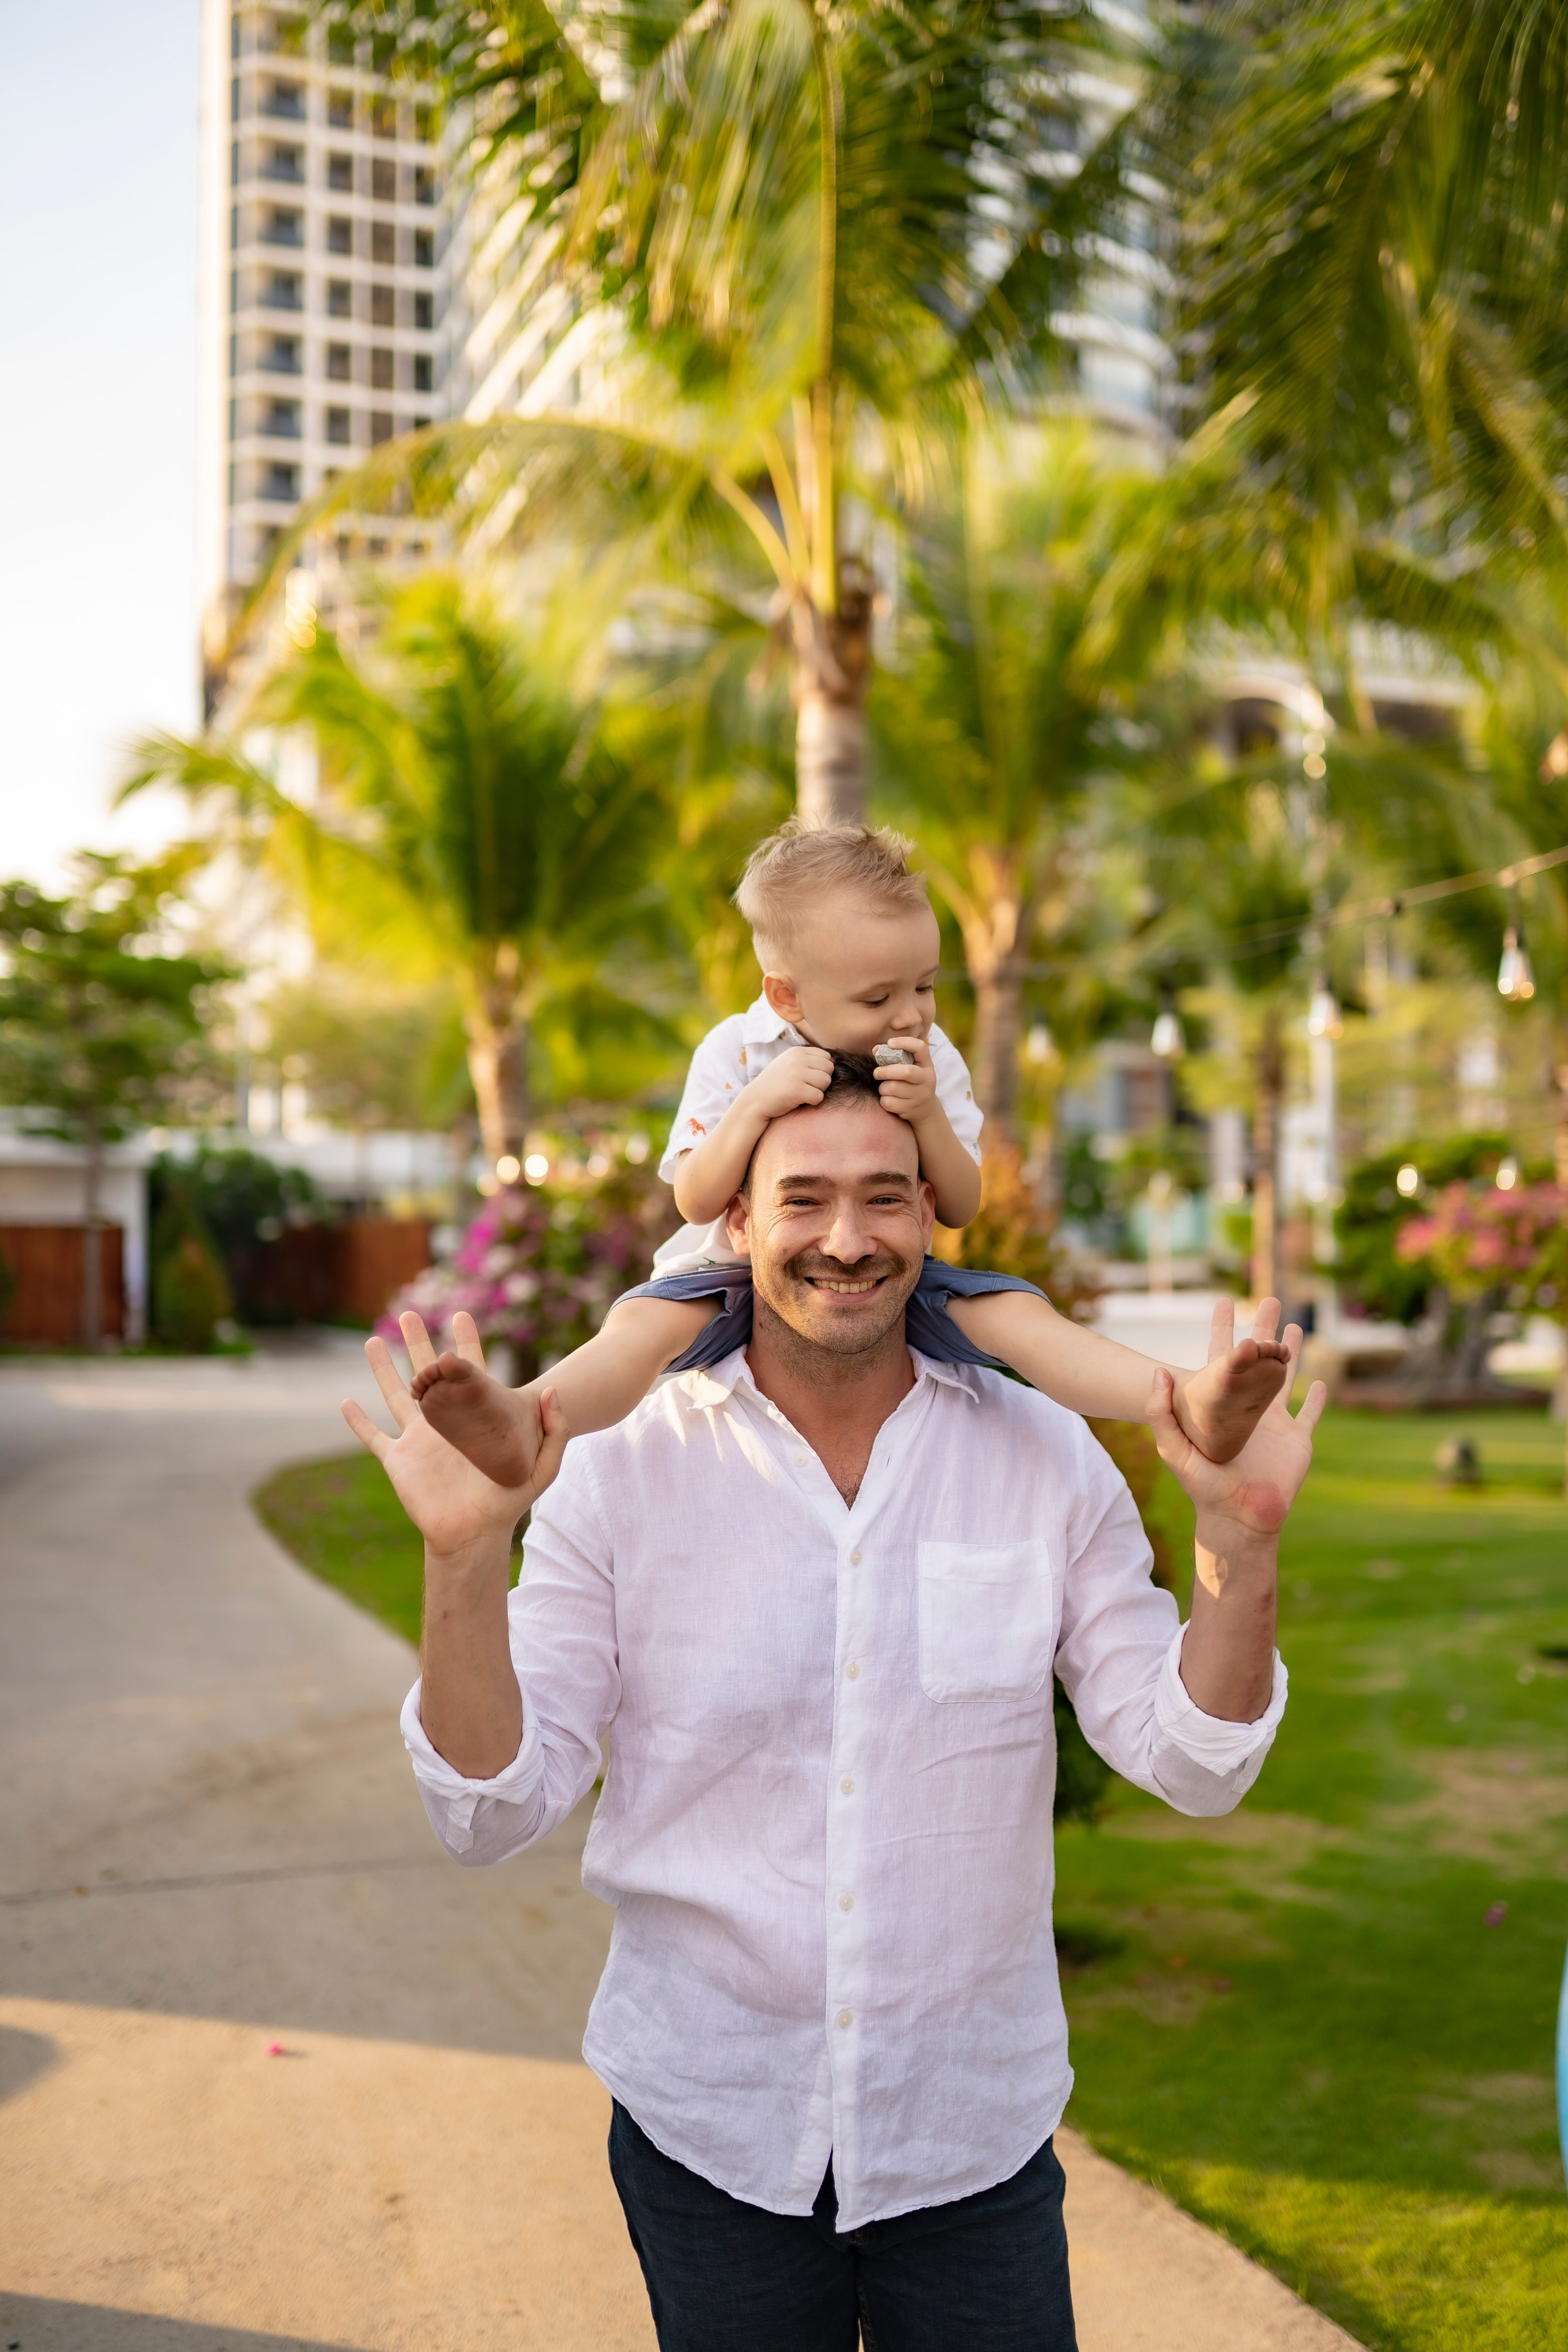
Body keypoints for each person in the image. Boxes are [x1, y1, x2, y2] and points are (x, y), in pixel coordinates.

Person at [344, 1054, 1325, 2352]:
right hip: (710, 2131)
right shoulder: (615, 1471)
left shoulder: (1044, 1457)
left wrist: (1238, 1540)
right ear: (734, 1222)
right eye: (802, 1199)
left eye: (884, 1197)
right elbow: (489, 1810)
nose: (847, 1240)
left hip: (968, 2139)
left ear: (931, 1213)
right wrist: (463, 1560)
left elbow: (1192, 1762)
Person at [409, 821, 1290, 1491]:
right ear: (786, 995)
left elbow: (961, 1203)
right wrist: (756, 1106)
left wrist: (931, 1124)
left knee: (1023, 1322)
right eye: (879, 997)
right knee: (635, 1333)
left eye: (926, 986)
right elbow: (695, 1199)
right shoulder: (736, 1053)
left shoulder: (930, 1058)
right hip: (723, 1276)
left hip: (892, 1278)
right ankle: (528, 1421)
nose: (909, 1013)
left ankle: (1186, 1399)